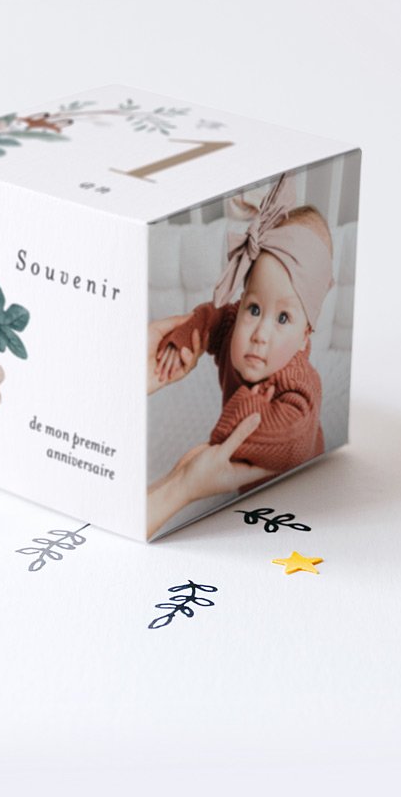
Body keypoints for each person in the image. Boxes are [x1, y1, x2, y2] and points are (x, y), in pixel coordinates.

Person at [145, 174, 334, 535]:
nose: (260, 334)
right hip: (232, 481)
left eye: (283, 318)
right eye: (254, 308)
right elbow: (214, 319)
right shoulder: (236, 326)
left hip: (295, 490)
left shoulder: (300, 384)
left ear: (304, 336)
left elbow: (290, 441)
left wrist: (243, 411)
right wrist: (185, 337)